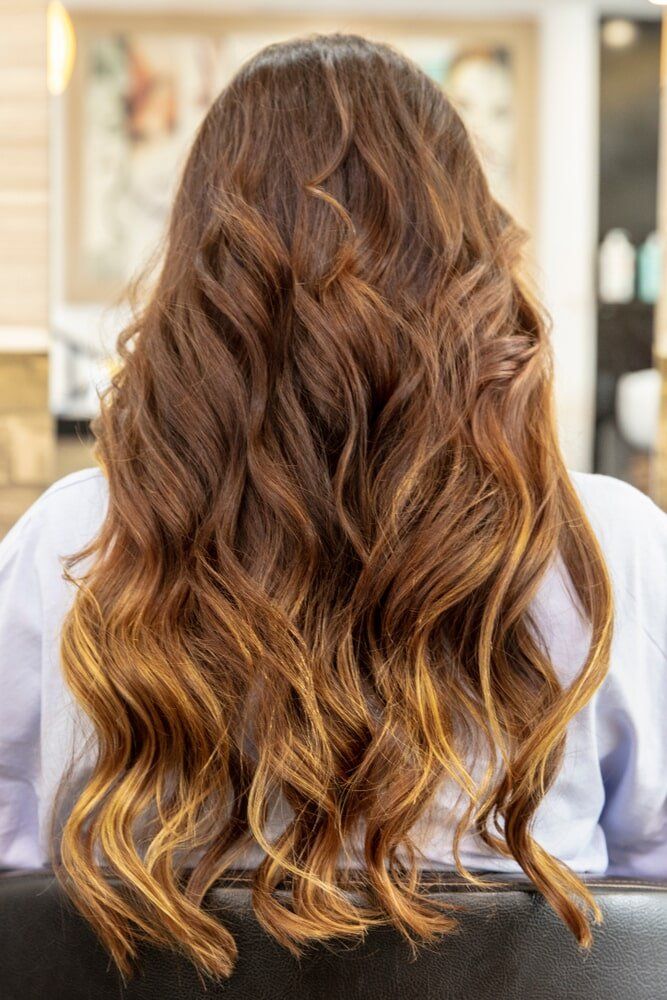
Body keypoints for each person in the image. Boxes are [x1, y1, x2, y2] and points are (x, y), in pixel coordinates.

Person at [0, 33, 665, 981]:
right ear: (467, 261)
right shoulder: (608, 549)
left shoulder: (68, 542)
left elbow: (18, 891)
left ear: (202, 269)